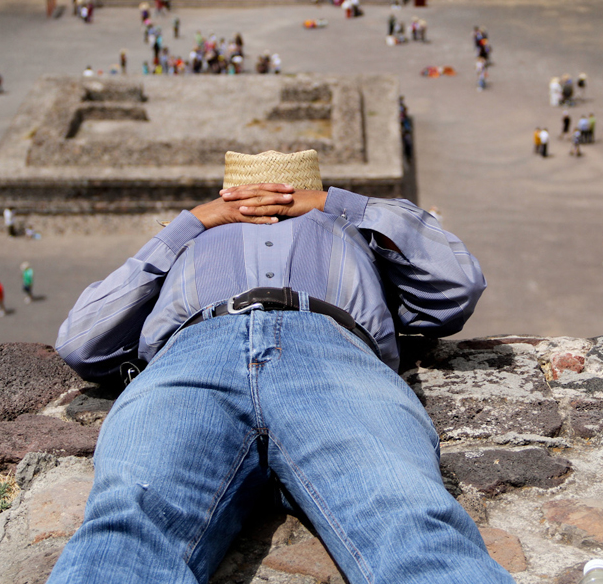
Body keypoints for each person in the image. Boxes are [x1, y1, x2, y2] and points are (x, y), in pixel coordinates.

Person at [48, 151, 513, 584]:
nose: (268, 202)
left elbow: (456, 288)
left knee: (409, 515)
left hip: (330, 349)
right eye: (250, 196)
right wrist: (187, 226)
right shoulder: (192, 239)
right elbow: (82, 342)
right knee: (131, 519)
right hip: (195, 353)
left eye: (285, 195)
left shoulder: (349, 229)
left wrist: (337, 205)